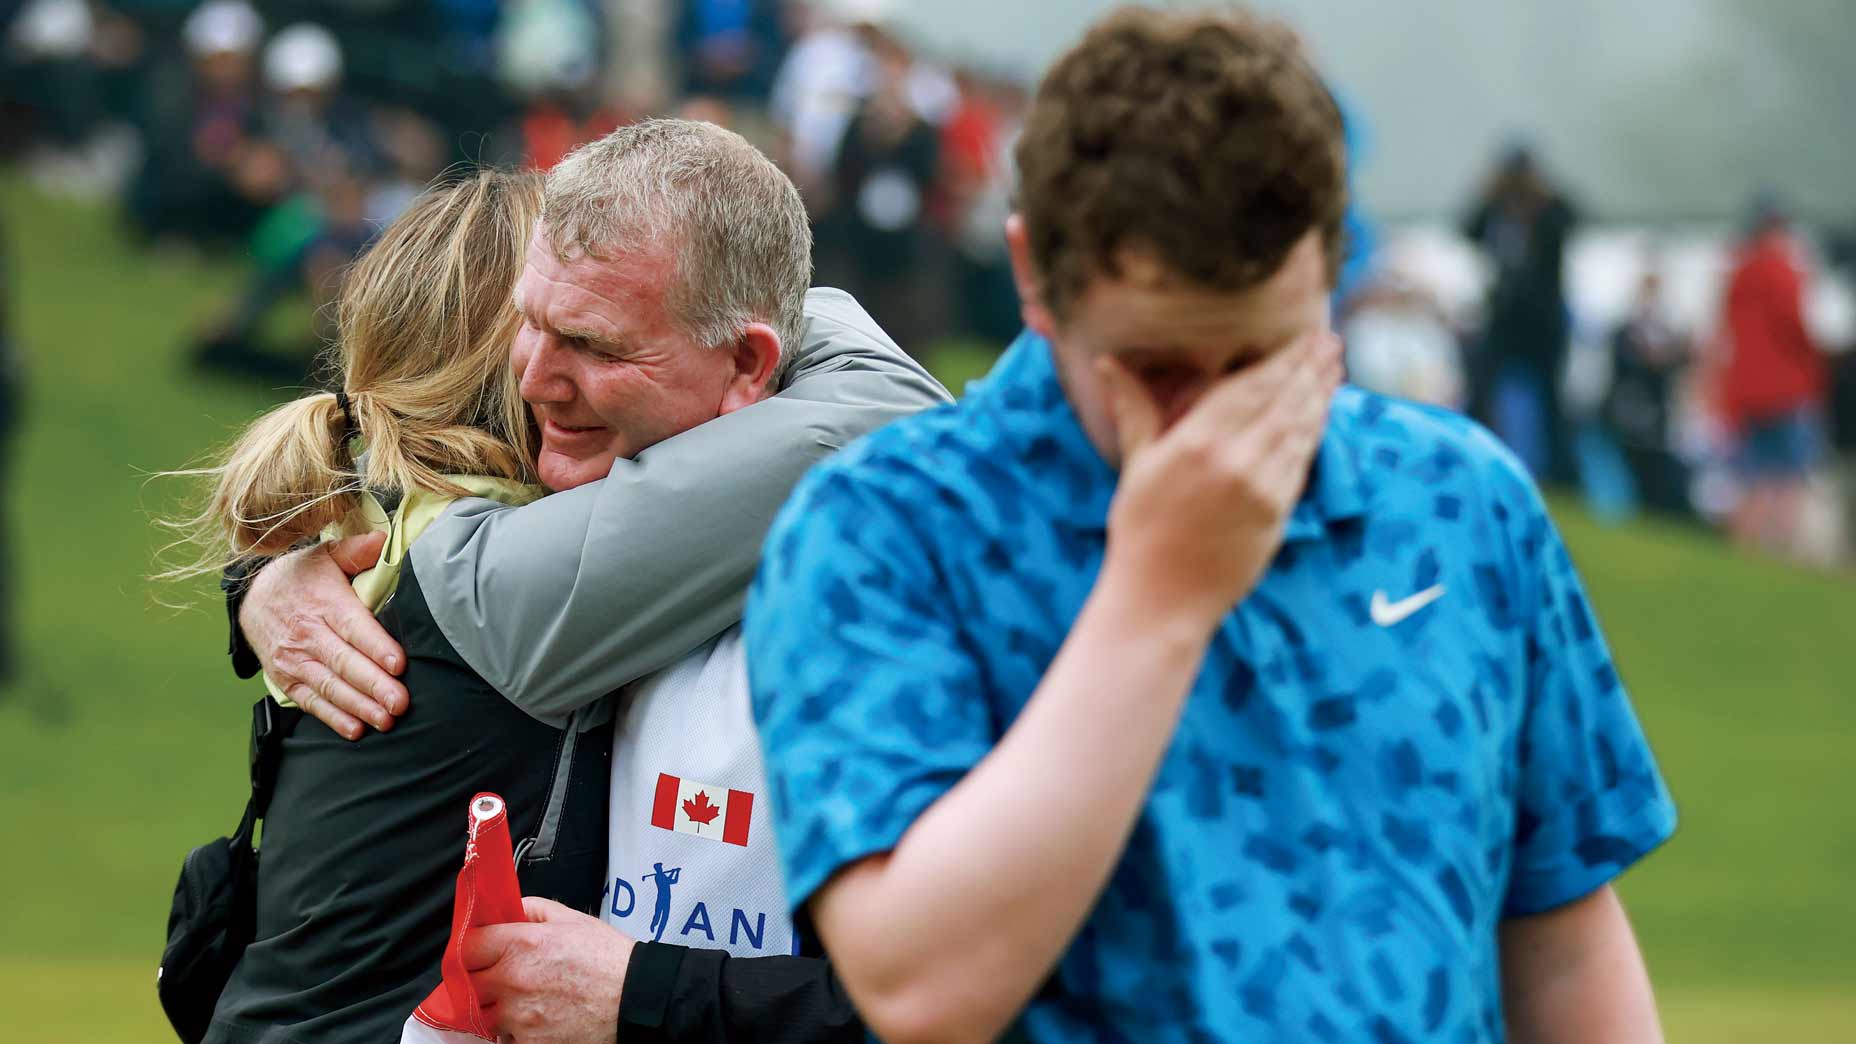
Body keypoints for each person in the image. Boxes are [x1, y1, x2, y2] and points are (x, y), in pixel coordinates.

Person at [745, 8, 1676, 1042]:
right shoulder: (882, 530)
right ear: (1033, 279)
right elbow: (917, 989)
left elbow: (1559, 939)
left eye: (1260, 362)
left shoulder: (1461, 497)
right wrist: (1161, 592)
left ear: (1330, 275)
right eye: (1158, 368)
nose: (1217, 423)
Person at [225, 119, 947, 1042]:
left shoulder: (392, 528)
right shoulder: (492, 572)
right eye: (533, 326)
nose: (544, 377)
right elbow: (887, 410)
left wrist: (256, 582)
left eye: (596, 343)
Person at [1716, 195, 1830, 557]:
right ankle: (1780, 553)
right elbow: (1796, 329)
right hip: (1786, 390)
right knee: (1788, 478)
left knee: (1754, 477)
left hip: (1746, 391)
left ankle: (1743, 550)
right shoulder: (1784, 270)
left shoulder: (1738, 273)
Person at [1463, 141, 1579, 483]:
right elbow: (1468, 229)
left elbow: (1573, 220)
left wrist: (1542, 194)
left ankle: (1562, 476)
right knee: (1482, 391)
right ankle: (1475, 459)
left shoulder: (1550, 209)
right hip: (1503, 318)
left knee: (1553, 402)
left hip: (1543, 322)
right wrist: (1487, 194)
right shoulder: (1496, 209)